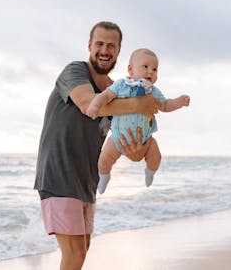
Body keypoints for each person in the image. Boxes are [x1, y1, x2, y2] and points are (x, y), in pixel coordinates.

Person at [34, 21, 160, 270]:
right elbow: (86, 104)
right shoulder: (74, 72)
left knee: (82, 252)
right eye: (99, 44)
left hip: (87, 181)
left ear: (119, 51)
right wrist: (138, 105)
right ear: (90, 46)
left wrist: (139, 151)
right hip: (59, 174)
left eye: (111, 45)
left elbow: (127, 141)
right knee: (76, 253)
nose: (105, 50)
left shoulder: (118, 90)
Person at [85, 48, 190, 194]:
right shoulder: (121, 85)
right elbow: (106, 96)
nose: (151, 72)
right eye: (145, 67)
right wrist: (95, 105)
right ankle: (104, 176)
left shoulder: (153, 91)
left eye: (155, 69)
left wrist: (179, 102)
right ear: (131, 69)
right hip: (117, 138)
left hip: (146, 139)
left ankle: (150, 172)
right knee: (104, 160)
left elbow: (165, 105)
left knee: (156, 157)